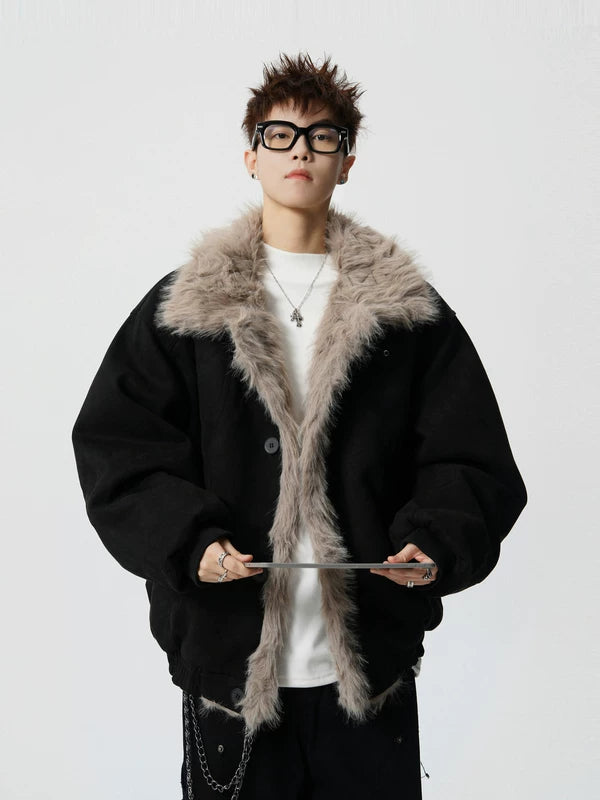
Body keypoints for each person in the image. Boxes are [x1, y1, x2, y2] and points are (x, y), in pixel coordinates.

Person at [71, 51, 528, 799]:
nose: (301, 151)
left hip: (369, 672)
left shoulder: (407, 312)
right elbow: (118, 450)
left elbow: (471, 456)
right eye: (279, 134)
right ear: (251, 154)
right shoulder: (184, 310)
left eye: (322, 137)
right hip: (229, 674)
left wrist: (436, 541)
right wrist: (191, 541)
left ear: (347, 161)